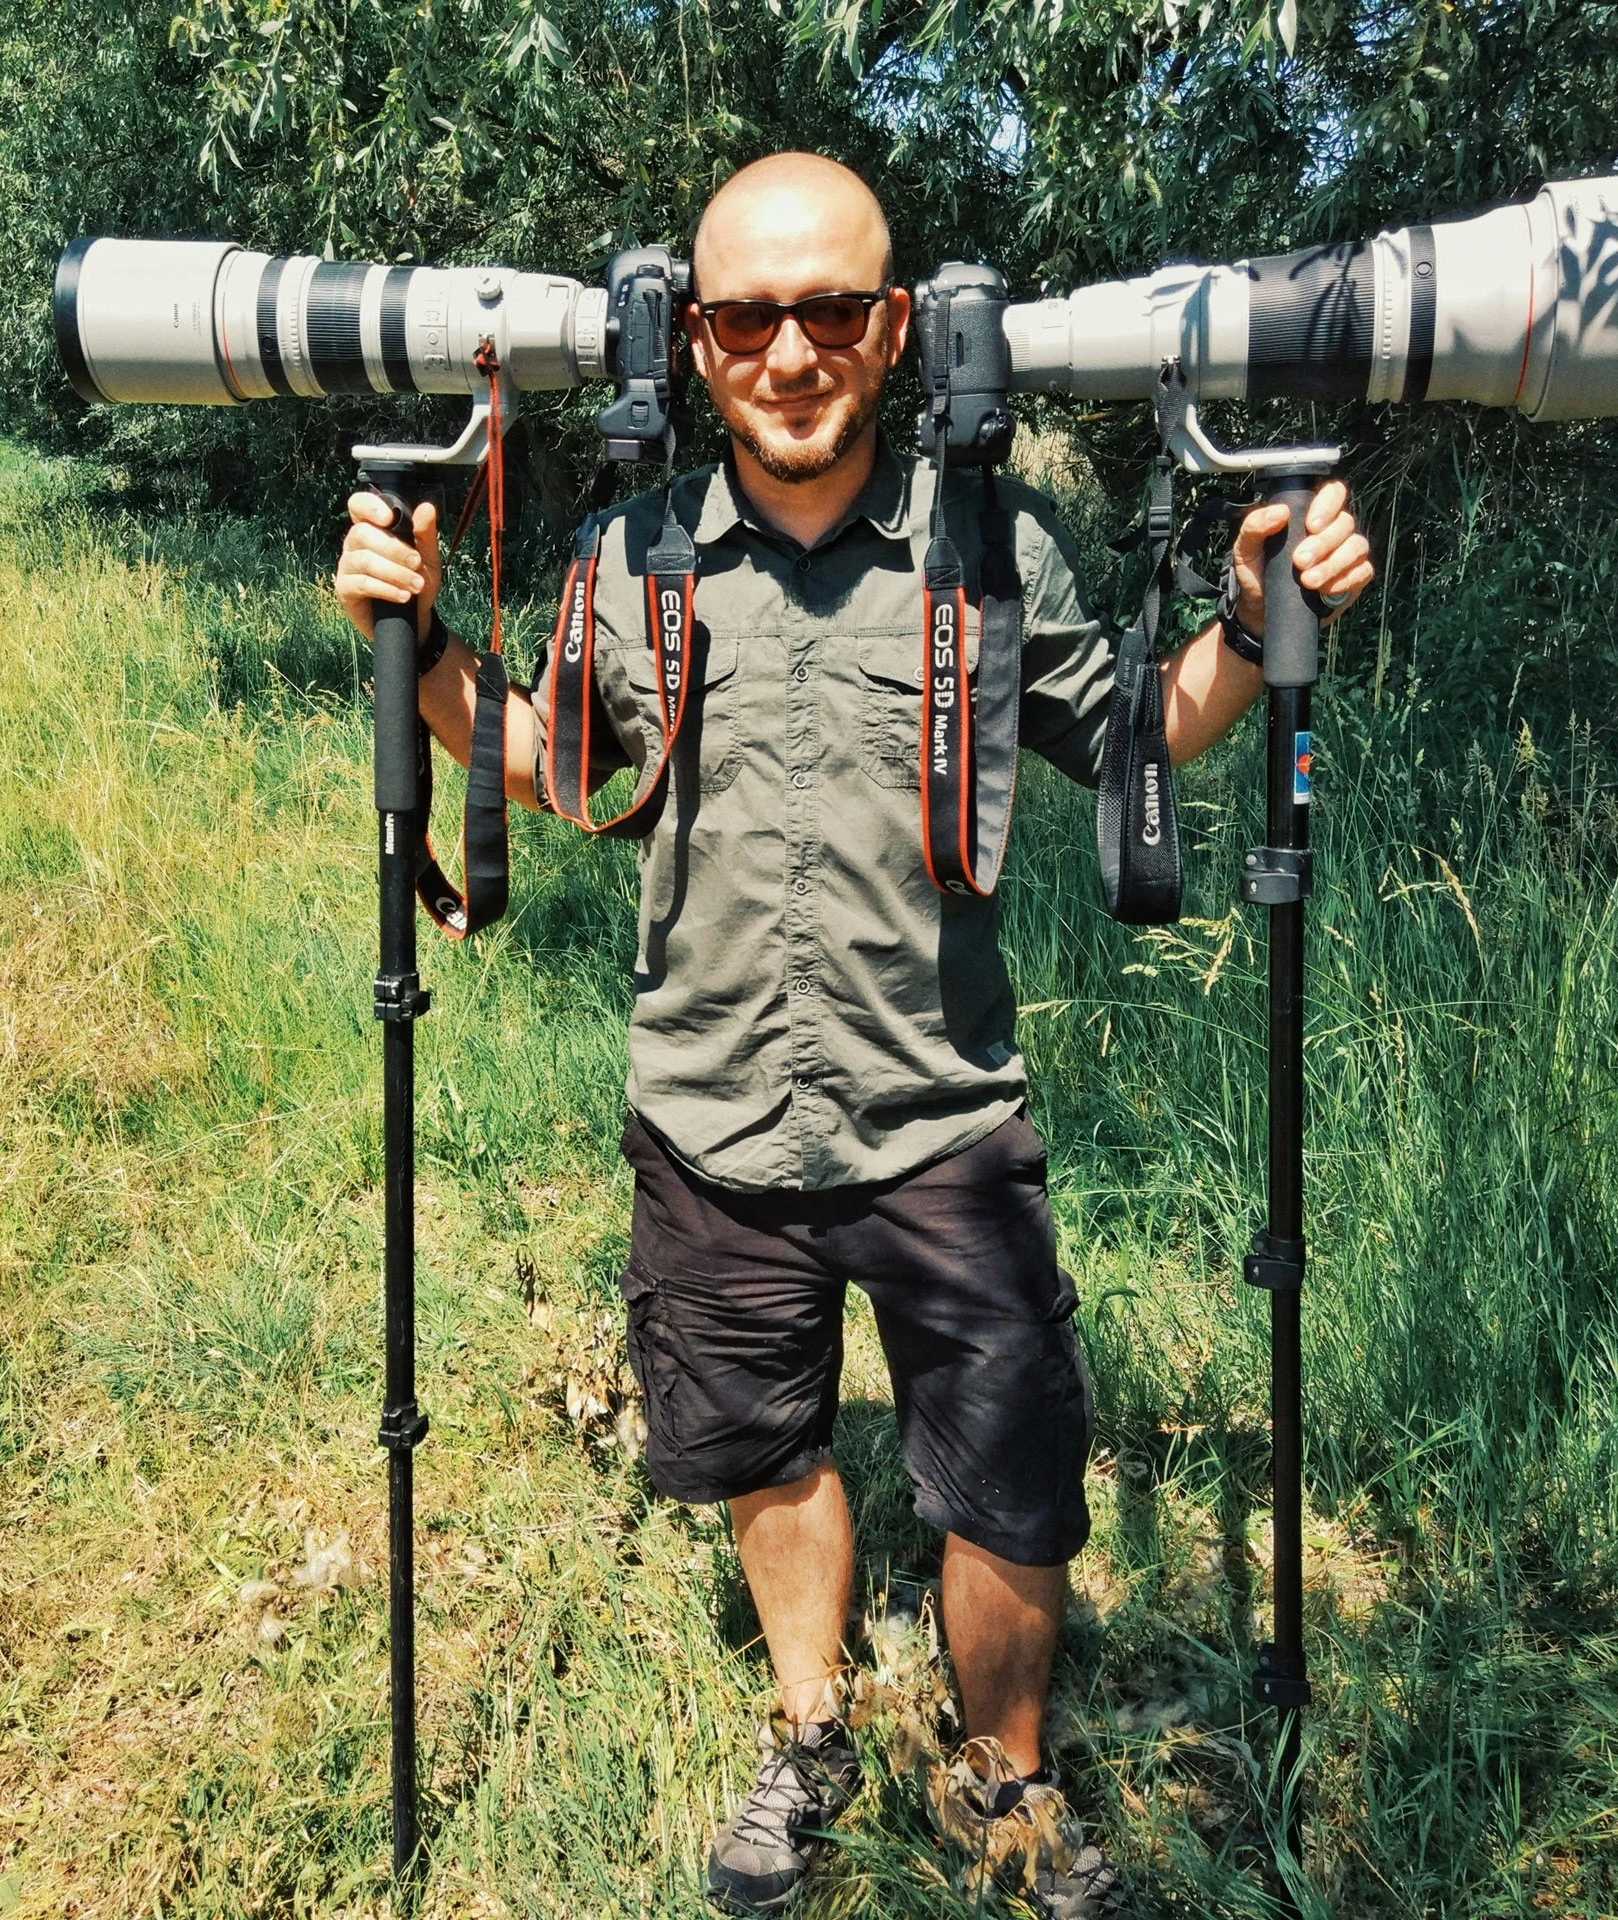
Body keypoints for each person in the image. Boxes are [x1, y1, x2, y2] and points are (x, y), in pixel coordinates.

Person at [335, 152, 1373, 1917]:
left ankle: (1007, 1779)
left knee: (1010, 1479)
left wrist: (1263, 608)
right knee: (767, 1447)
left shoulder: (995, 545)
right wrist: (411, 627)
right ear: (698, 336)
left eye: (832, 311)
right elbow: (538, 758)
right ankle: (813, 1726)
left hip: (941, 1117)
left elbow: (1151, 735)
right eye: (749, 315)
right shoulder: (631, 549)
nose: (791, 350)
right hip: (712, 1116)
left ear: (895, 331)